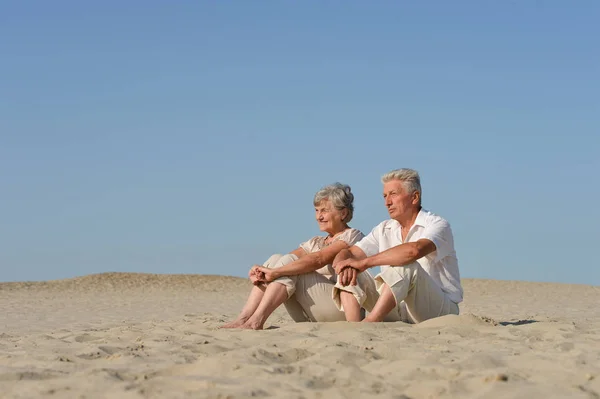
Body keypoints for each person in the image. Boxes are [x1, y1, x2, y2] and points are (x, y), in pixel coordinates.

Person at [221, 183, 379, 330]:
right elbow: (285, 260)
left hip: (341, 310)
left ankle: (256, 320)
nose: (319, 216)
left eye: (324, 210)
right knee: (276, 259)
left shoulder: (352, 236)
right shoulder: (315, 242)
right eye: (317, 211)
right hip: (311, 311)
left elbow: (319, 259)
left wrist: (276, 273)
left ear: (343, 213)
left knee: (287, 265)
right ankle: (244, 318)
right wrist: (261, 270)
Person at [332, 168, 463, 324]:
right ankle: (354, 328)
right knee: (352, 272)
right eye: (385, 196)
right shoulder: (384, 228)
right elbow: (350, 253)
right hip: (398, 307)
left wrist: (364, 262)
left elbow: (414, 251)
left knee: (406, 265)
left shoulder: (438, 225)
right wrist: (343, 265)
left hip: (438, 311)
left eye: (393, 194)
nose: (387, 202)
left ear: (414, 197)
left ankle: (370, 324)